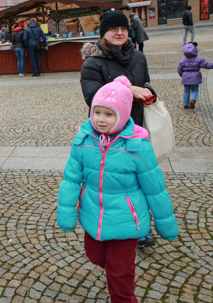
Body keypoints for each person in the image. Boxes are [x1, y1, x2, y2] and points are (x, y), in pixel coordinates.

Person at [57, 76, 179, 303]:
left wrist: (165, 222)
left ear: (122, 115)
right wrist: (66, 212)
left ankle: (123, 298)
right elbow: (71, 179)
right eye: (97, 112)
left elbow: (155, 189)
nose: (101, 119)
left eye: (109, 114)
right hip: (93, 215)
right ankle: (112, 269)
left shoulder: (138, 146)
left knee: (120, 271)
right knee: (94, 256)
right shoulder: (83, 139)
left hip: (127, 220)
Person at [80, 9, 157, 247]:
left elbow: (145, 82)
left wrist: (148, 92)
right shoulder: (93, 63)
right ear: (104, 33)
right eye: (114, 29)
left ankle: (139, 227)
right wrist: (128, 90)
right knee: (111, 182)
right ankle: (104, 224)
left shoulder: (138, 57)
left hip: (135, 128)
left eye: (123, 28)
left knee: (139, 182)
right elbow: (94, 97)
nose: (120, 32)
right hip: (106, 133)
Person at [177, 42, 213, 109]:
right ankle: (193, 100)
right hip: (195, 77)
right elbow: (207, 65)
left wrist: (183, 75)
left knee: (186, 91)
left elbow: (179, 69)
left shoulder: (182, 61)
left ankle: (185, 104)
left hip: (186, 77)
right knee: (195, 90)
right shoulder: (199, 59)